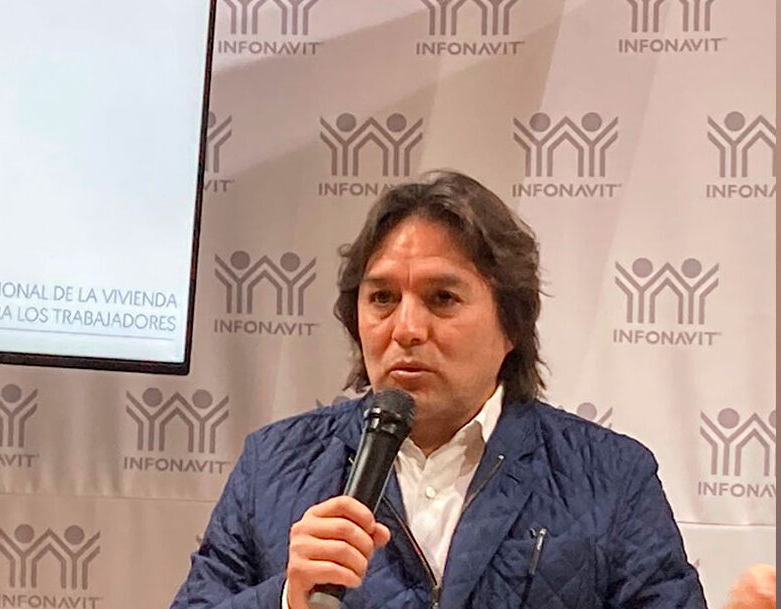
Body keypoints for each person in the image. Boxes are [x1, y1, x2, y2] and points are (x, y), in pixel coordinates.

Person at [170, 170, 706, 609]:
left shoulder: (611, 476)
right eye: (382, 298)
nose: (406, 329)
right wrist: (286, 600)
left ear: (511, 324)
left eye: (442, 298)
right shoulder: (273, 466)